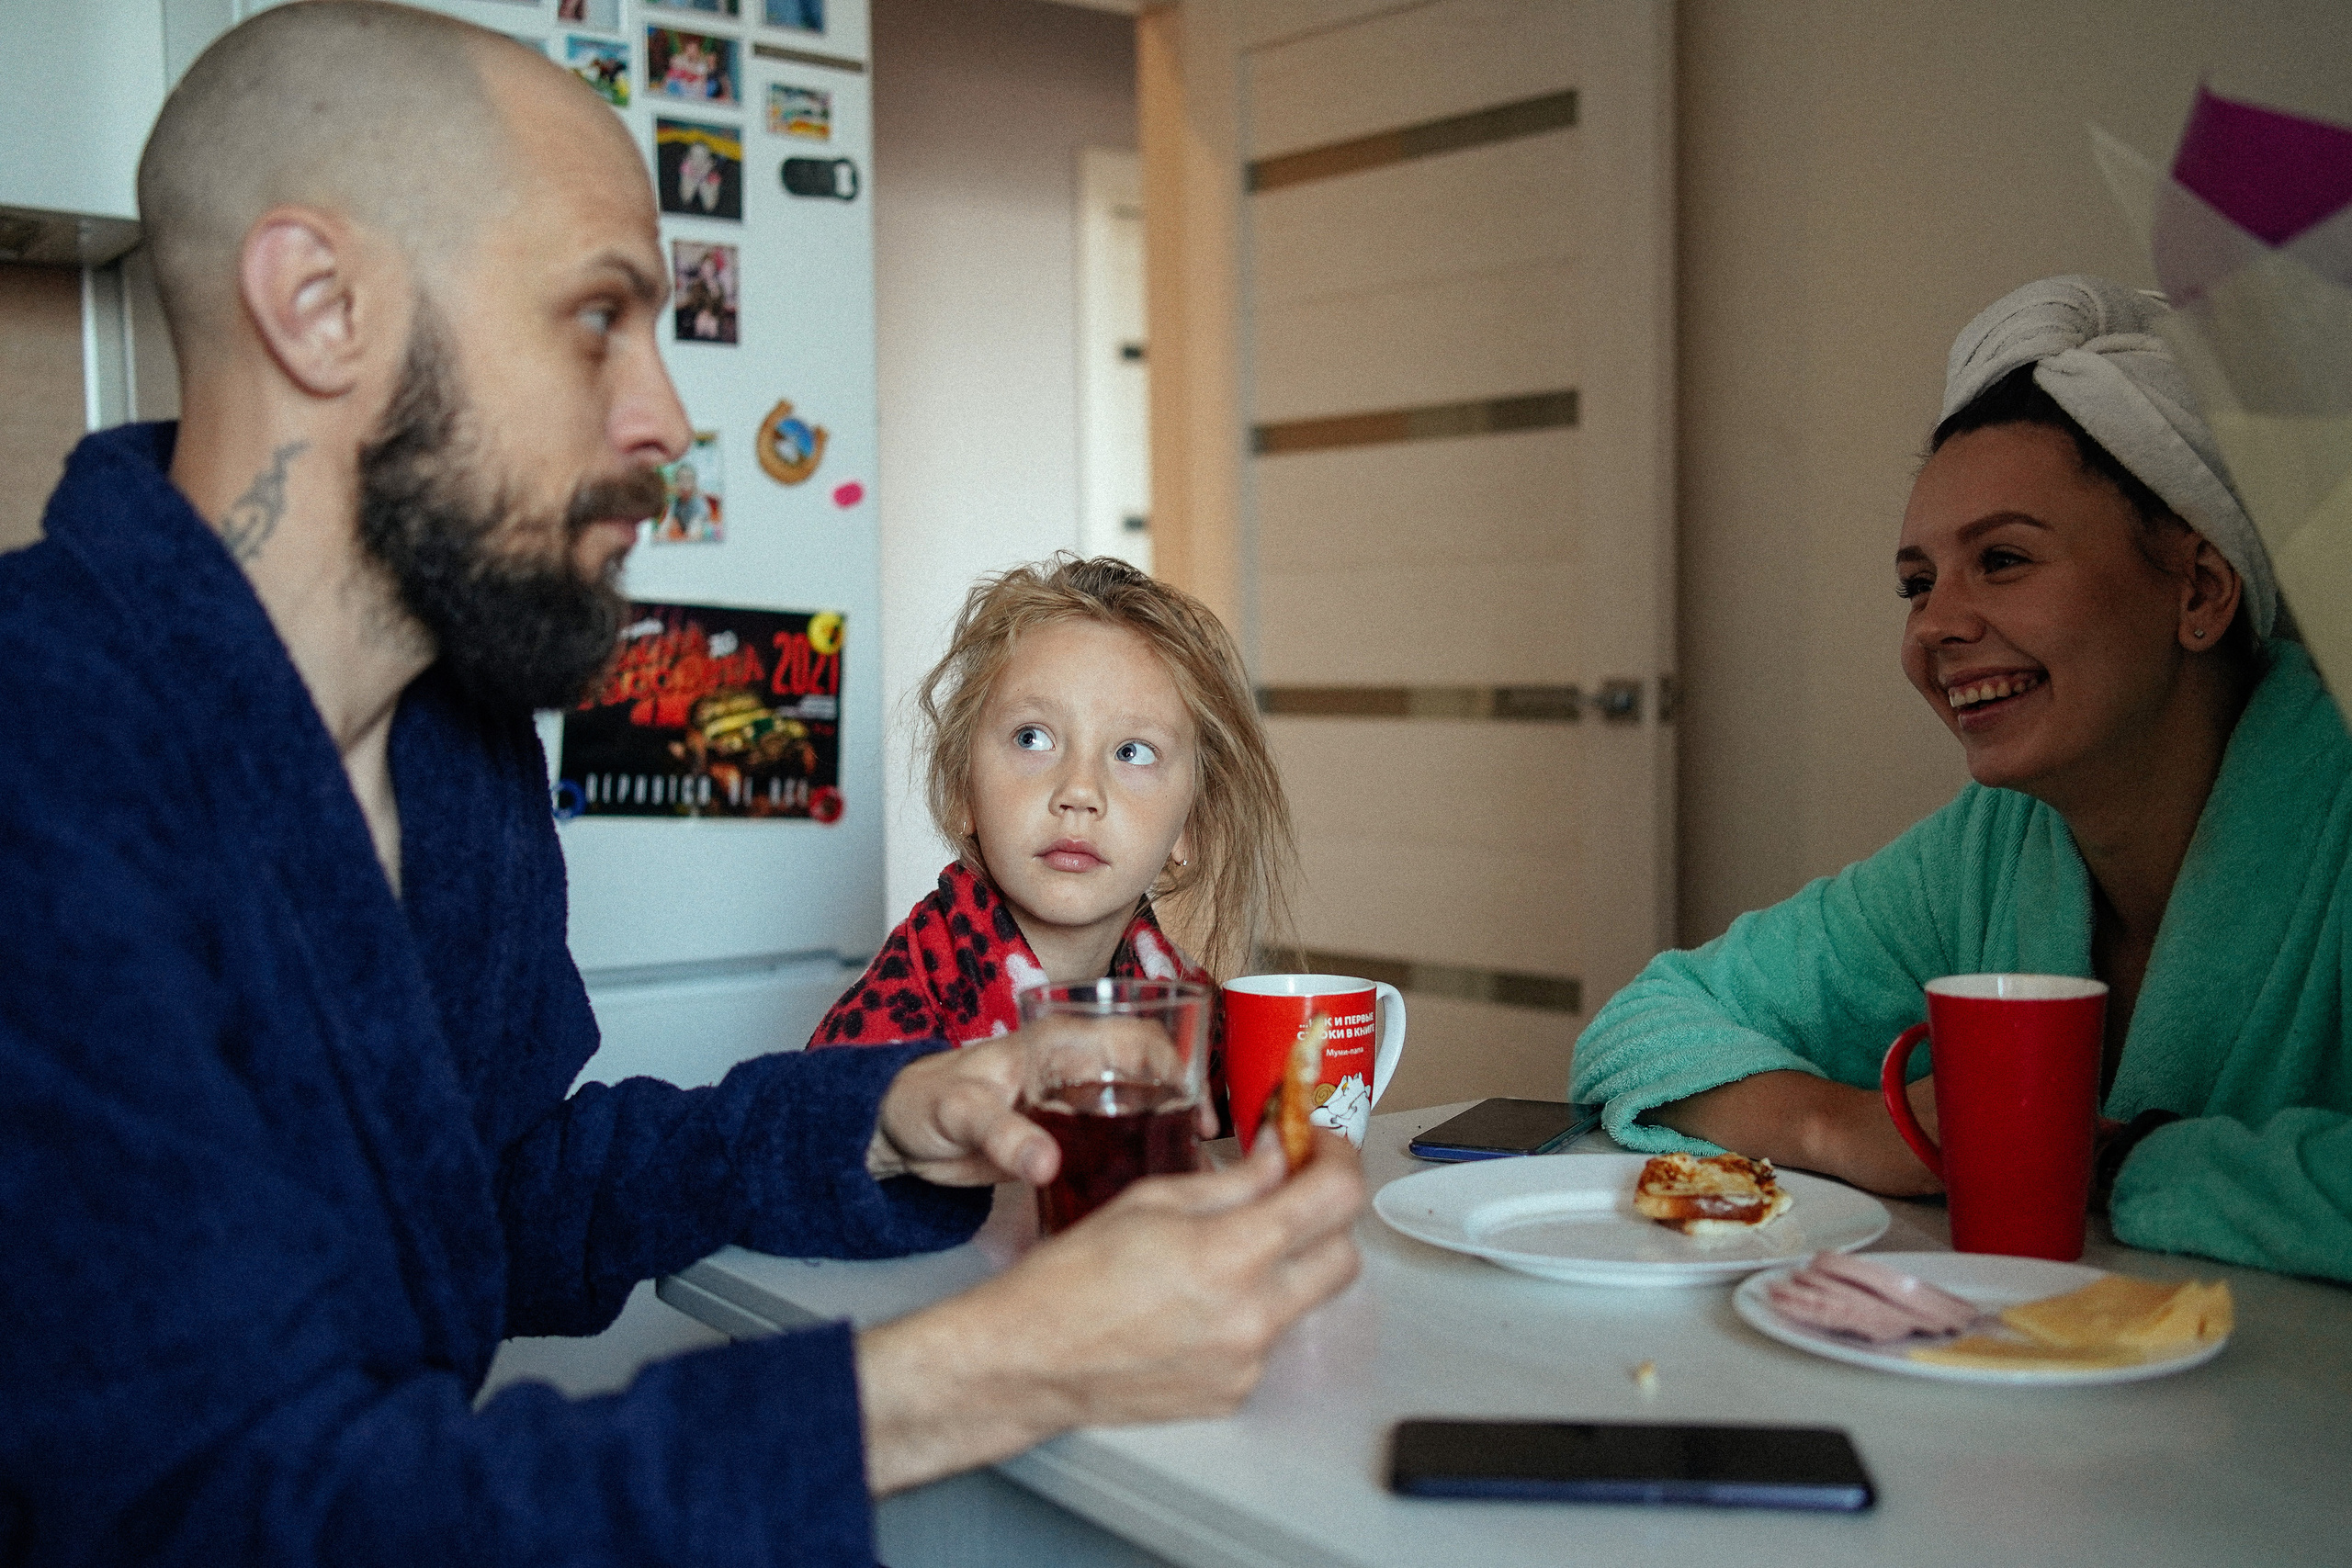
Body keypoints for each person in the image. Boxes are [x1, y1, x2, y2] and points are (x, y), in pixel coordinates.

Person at [0, 5, 1363, 1560]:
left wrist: (884, 1113)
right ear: (318, 306)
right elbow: (215, 1519)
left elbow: (502, 1199)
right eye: (598, 317)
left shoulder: (456, 753)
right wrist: (979, 1371)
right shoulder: (42, 759)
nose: (669, 415)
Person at [1571, 275, 2352, 1285]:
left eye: (2004, 559)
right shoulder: (1990, 849)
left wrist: (2115, 1163)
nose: (1936, 624)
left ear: (2197, 590)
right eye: (1916, 582)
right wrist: (1848, 1127)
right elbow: (1643, 1026)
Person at [809, 556, 1295, 1126]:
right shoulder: (886, 1038)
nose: (1079, 791)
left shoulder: (1191, 1014)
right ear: (964, 790)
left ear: (1192, 824)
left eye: (1132, 752)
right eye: (1033, 737)